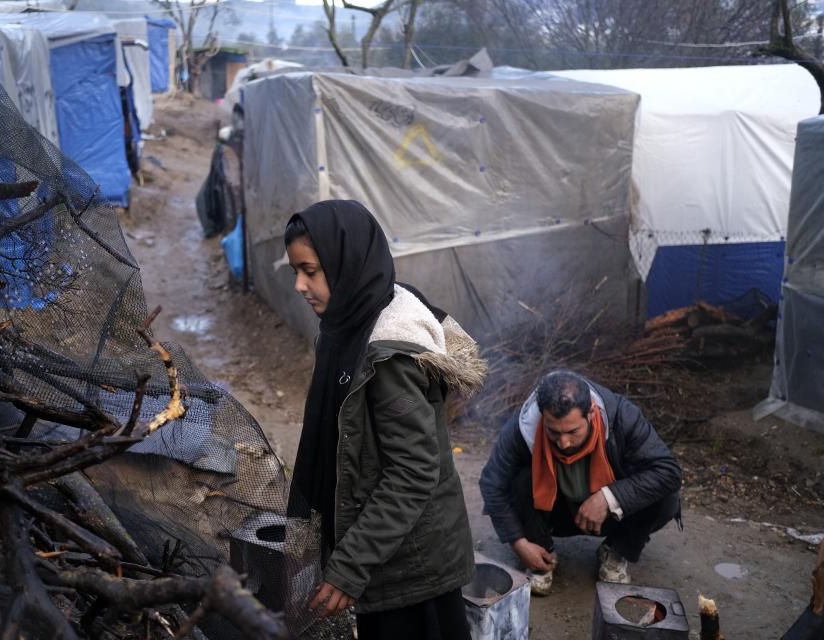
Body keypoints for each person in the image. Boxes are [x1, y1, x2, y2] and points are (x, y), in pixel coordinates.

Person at [284, 200, 487, 640]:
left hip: (413, 566)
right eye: (295, 271)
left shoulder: (387, 356)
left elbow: (413, 474)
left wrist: (350, 565)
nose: (300, 285)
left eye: (310, 271)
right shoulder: (346, 324)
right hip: (387, 549)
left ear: (345, 263)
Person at [479, 370, 681, 596]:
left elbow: (669, 471)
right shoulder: (523, 425)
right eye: (553, 432)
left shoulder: (621, 417)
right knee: (518, 480)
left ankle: (615, 551)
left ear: (591, 413)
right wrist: (518, 543)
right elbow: (491, 483)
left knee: (666, 497)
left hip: (611, 516)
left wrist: (609, 497)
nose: (563, 443)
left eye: (573, 431)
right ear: (542, 416)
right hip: (556, 513)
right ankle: (541, 554)